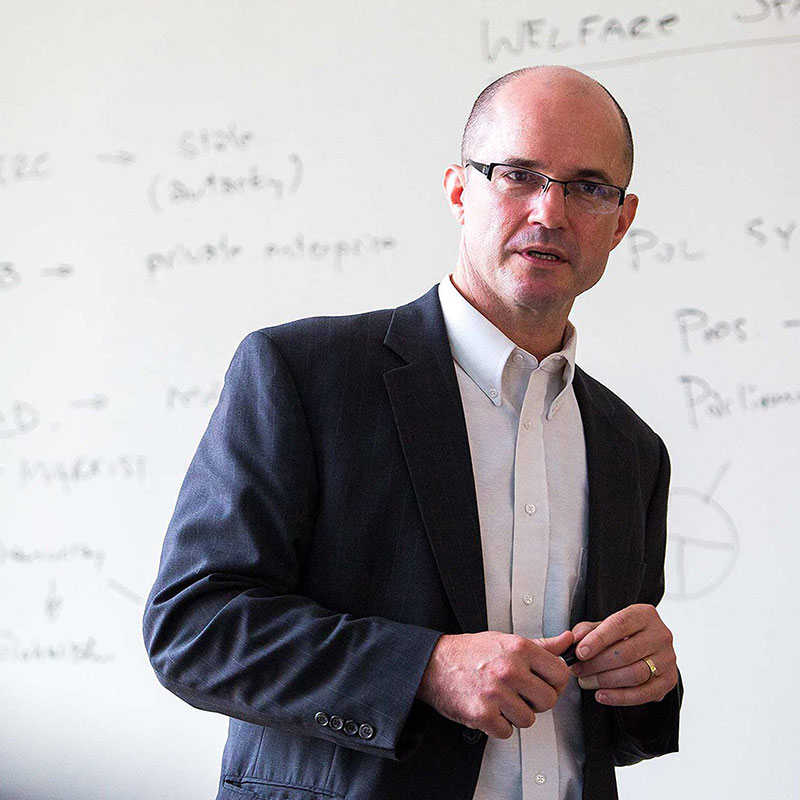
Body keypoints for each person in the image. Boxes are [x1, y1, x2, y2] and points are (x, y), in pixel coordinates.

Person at [143, 66, 681, 800]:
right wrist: (423, 668)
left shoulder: (632, 450)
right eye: (518, 174)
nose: (550, 211)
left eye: (588, 187)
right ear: (460, 190)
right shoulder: (303, 375)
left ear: (620, 221)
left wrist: (650, 680)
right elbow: (193, 628)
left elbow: (598, 728)